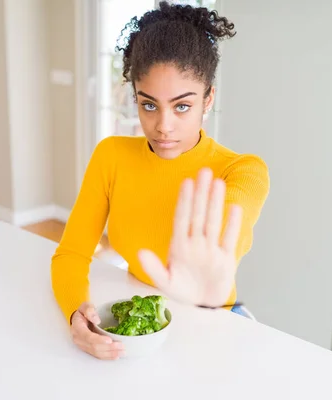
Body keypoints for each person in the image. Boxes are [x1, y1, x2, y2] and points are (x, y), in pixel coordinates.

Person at [50, 1, 270, 360]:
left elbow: (234, 227)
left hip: (211, 323)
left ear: (208, 98)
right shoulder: (112, 156)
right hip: (143, 322)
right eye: (149, 105)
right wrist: (77, 314)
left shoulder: (243, 171)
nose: (163, 126)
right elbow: (71, 253)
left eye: (182, 106)